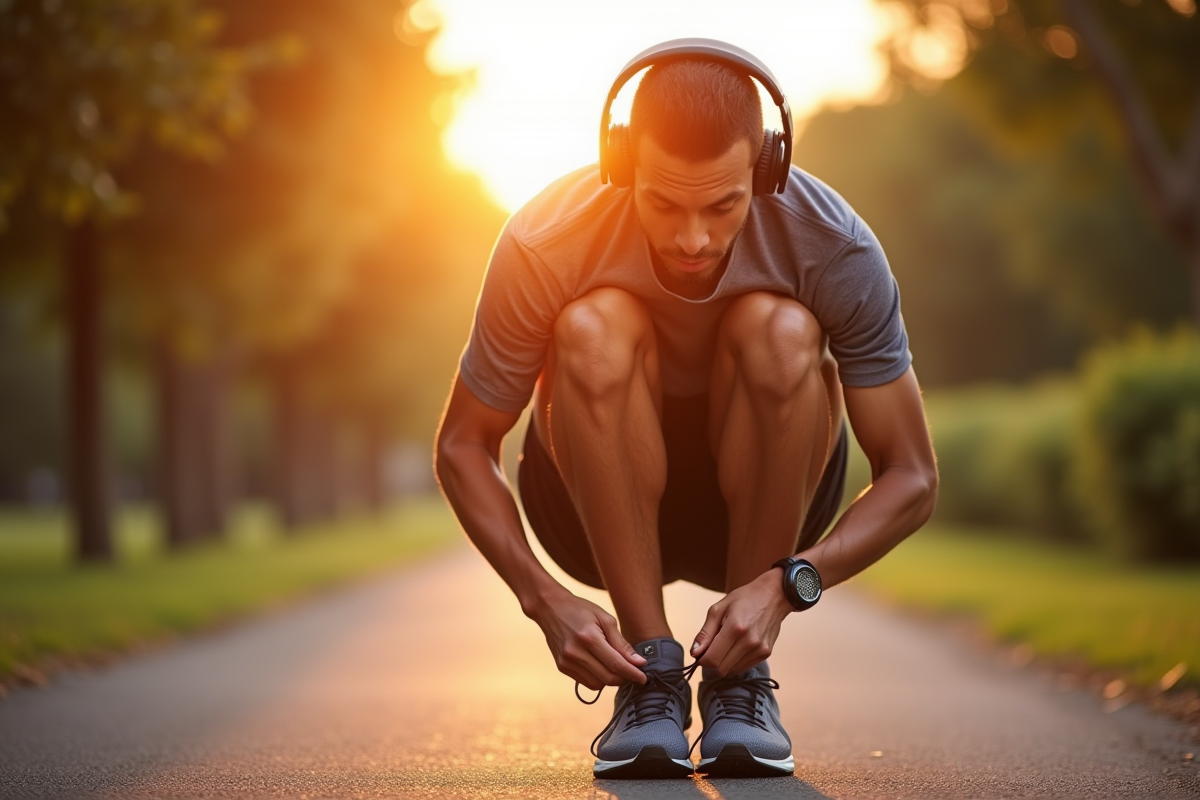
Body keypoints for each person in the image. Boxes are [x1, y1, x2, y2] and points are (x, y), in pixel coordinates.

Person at [434, 39, 938, 780]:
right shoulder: (545, 241)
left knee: (781, 328)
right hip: (587, 511)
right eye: (664, 203)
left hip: (772, 505)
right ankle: (650, 682)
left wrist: (791, 583)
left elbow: (913, 476)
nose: (693, 238)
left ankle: (740, 684)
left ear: (765, 168)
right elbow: (463, 445)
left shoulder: (833, 244)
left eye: (723, 204)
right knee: (593, 325)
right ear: (623, 164)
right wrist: (543, 600)